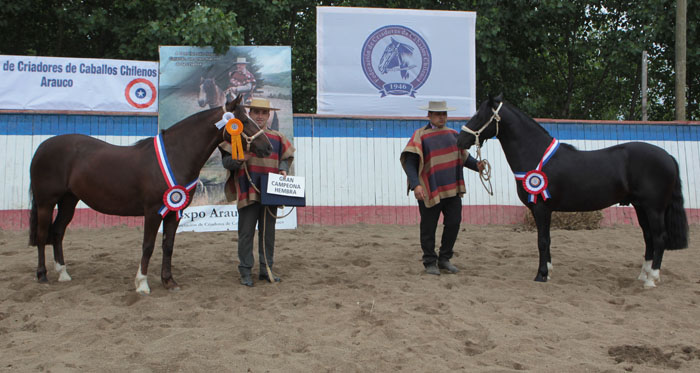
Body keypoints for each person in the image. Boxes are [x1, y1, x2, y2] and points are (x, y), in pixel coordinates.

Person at [400, 101, 484, 275]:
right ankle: (430, 261)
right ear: (429, 116)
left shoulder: (454, 135)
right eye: (438, 114)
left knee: (453, 223)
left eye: (444, 114)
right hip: (428, 189)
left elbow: (464, 157)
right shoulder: (420, 136)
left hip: (451, 188)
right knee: (429, 227)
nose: (441, 117)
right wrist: (416, 185)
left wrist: (478, 165)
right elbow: (410, 162)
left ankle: (444, 258)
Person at [220, 98, 295, 287]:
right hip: (248, 190)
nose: (260, 116)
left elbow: (285, 157)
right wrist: (239, 159)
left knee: (267, 233)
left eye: (264, 113)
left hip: (271, 193)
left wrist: (283, 168)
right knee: (245, 233)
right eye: (256, 112)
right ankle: (245, 271)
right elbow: (226, 162)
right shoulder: (240, 136)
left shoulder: (278, 137)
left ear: (269, 116)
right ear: (250, 114)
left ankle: (266, 269)